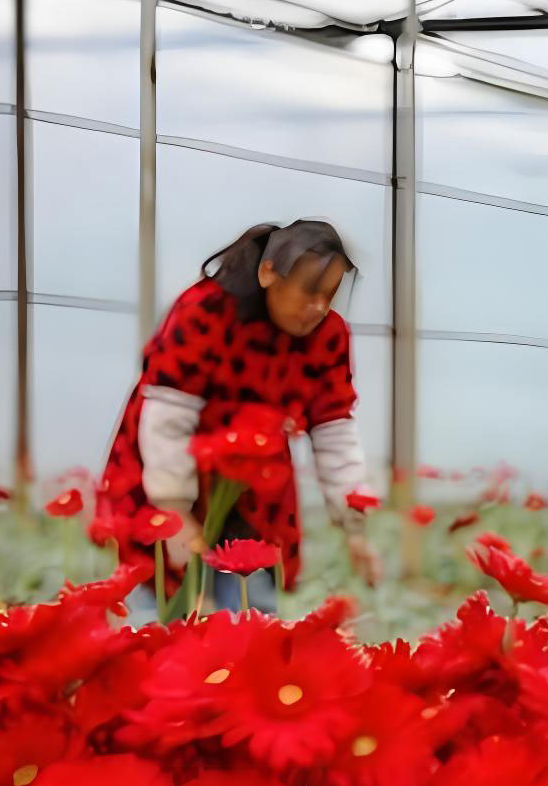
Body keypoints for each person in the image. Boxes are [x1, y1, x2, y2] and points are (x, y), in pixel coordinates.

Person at [95, 220, 383, 614]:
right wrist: (173, 507)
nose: (318, 306)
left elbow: (334, 427)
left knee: (253, 609)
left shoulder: (328, 336)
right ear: (268, 273)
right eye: (310, 291)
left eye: (329, 295)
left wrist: (354, 528)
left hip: (255, 486)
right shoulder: (205, 311)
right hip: (169, 469)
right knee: (166, 602)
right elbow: (167, 413)